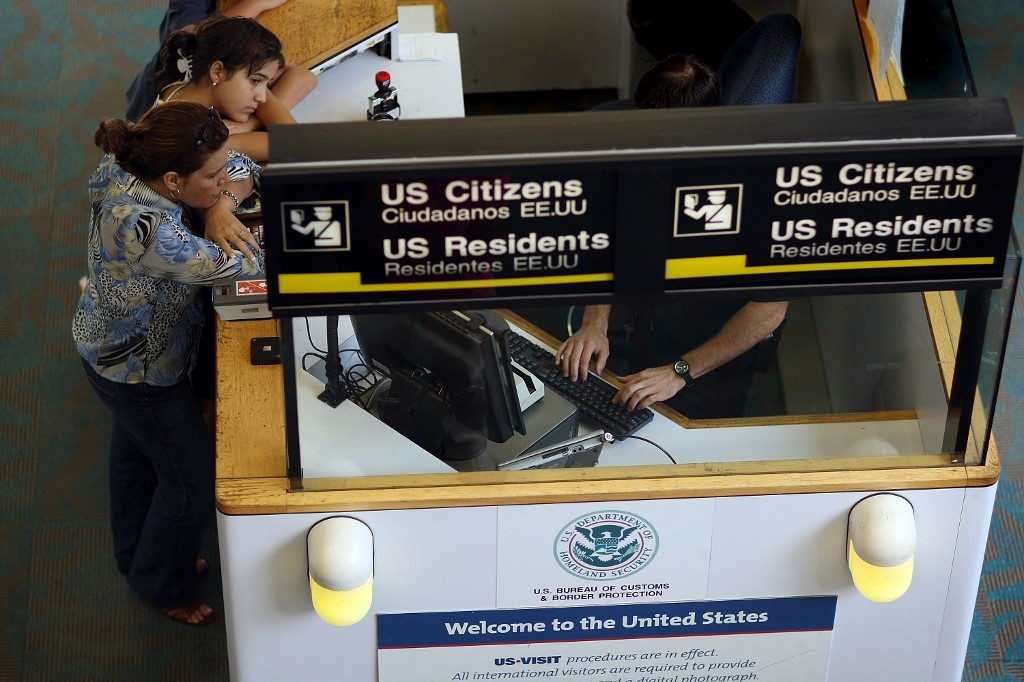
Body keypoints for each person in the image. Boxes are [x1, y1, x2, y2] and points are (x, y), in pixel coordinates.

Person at [73, 101, 265, 625]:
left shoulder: (131, 160)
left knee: (134, 454)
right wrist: (227, 207)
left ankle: (134, 556)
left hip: (107, 345)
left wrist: (219, 201)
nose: (223, 177)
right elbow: (244, 264)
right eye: (212, 176)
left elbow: (243, 165)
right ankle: (162, 585)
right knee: (191, 483)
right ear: (175, 181)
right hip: (140, 369)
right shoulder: (146, 229)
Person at [556, 54, 789, 420]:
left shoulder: (756, 192)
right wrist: (595, 322)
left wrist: (681, 372)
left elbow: (769, 309)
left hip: (711, 349)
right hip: (648, 320)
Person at [130, 10, 316, 162]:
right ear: (218, 71)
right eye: (256, 81)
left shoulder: (191, 79)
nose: (262, 97)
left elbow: (304, 76)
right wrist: (259, 116)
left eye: (265, 83)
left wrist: (251, 122)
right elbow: (294, 142)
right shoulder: (198, 138)